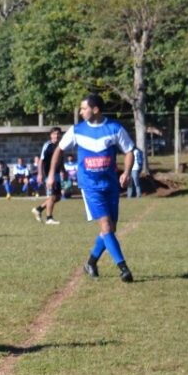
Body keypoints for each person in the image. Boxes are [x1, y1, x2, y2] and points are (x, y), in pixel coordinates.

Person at [47, 93, 136, 283]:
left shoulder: (114, 128)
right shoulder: (77, 130)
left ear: (95, 109)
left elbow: (129, 150)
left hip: (110, 185)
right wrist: (50, 174)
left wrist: (127, 172)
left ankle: (91, 262)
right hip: (90, 186)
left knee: (110, 228)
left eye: (84, 108)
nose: (81, 112)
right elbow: (59, 150)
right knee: (105, 226)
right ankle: (123, 268)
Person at [33, 127, 64, 224]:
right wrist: (40, 174)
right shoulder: (48, 145)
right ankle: (49, 218)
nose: (56, 136)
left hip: (57, 174)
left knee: (58, 197)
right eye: (54, 134)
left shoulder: (60, 146)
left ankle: (39, 209)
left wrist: (63, 170)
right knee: (52, 196)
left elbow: (60, 160)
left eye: (58, 134)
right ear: (51, 135)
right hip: (48, 175)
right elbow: (41, 160)